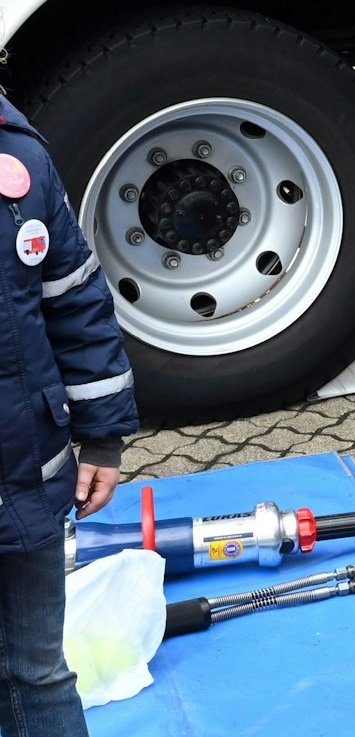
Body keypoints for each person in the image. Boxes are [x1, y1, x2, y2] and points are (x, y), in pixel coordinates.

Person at [0, 92, 138, 737]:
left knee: (39, 672)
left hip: (23, 484)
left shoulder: (19, 161)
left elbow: (76, 303)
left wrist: (103, 437)